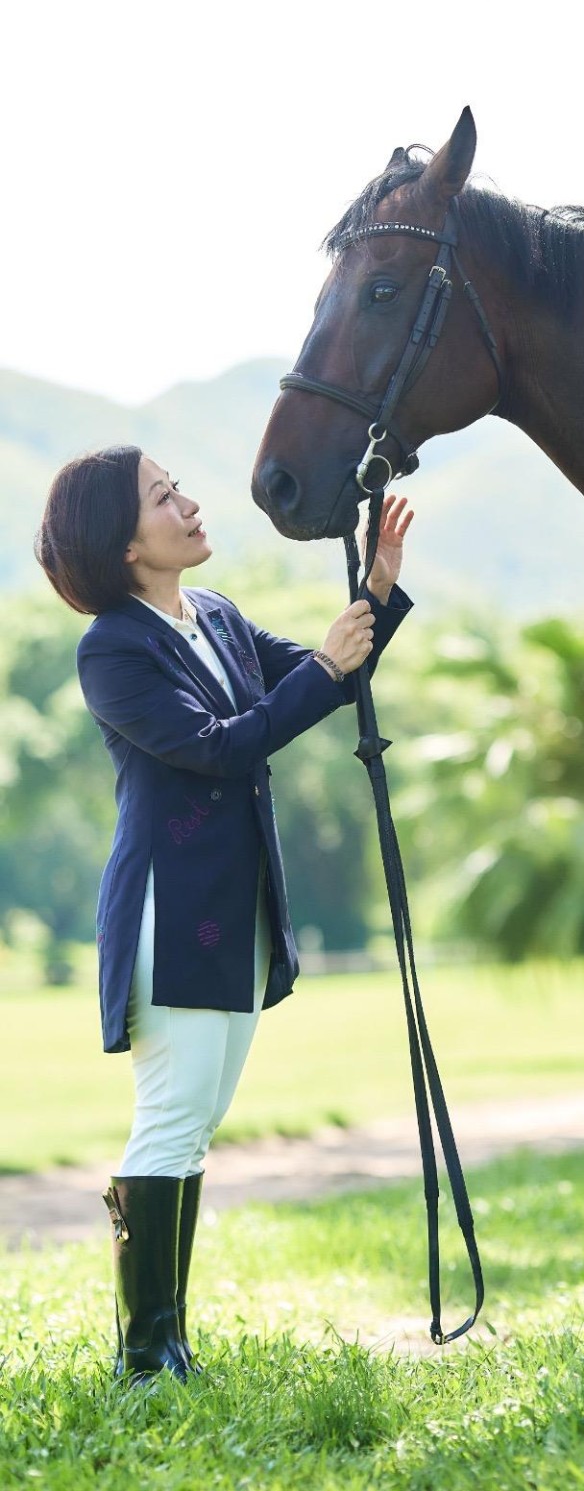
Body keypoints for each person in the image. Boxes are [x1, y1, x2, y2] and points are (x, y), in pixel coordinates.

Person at [35, 445, 413, 1381]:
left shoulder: (215, 616)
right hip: (176, 912)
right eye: (166, 498)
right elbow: (220, 746)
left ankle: (168, 1340)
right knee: (171, 1117)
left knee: (195, 1120)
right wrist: (324, 664)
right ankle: (144, 1355)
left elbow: (325, 680)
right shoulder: (112, 648)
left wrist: (376, 593)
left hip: (240, 905)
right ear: (123, 545)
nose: (192, 505)